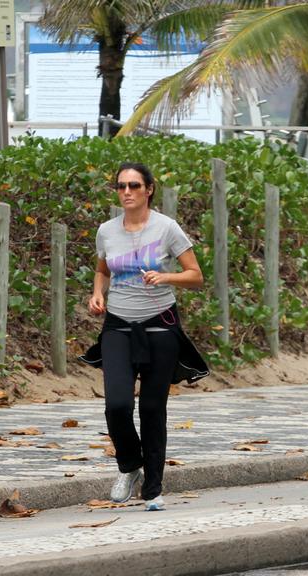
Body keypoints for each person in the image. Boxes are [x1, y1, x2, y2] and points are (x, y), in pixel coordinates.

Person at [81, 162, 209, 511]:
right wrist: (98, 293)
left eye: (134, 186)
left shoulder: (167, 228)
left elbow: (195, 276)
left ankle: (153, 489)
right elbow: (102, 267)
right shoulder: (107, 230)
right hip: (118, 324)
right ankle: (129, 465)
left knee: (153, 408)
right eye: (121, 186)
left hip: (160, 324)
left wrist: (166, 278)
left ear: (148, 189)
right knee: (117, 406)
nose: (127, 192)